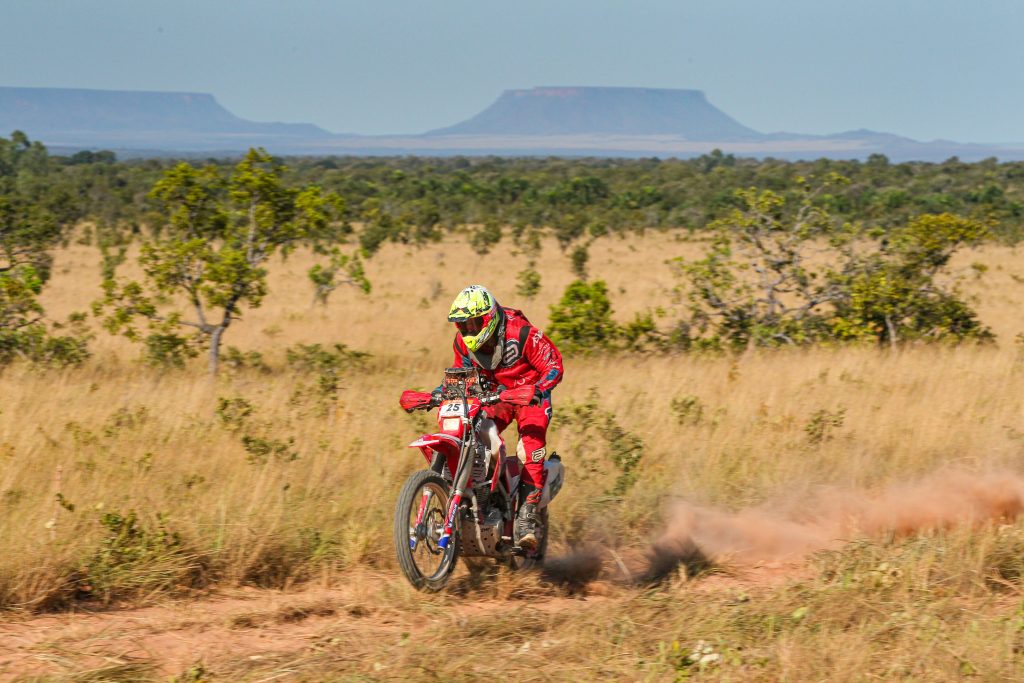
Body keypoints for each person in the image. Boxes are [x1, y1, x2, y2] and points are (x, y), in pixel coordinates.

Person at [441, 284, 563, 550]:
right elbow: (459, 380)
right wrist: (438, 394)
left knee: (529, 446)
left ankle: (527, 517)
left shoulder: (520, 333)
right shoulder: (462, 344)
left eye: (473, 323)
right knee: (469, 432)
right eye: (462, 325)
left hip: (529, 396)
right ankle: (479, 499)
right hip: (495, 397)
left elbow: (554, 364)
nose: (469, 331)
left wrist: (539, 389)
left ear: (489, 318)